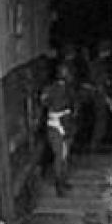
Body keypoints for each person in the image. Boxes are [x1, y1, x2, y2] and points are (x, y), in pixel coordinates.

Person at [40, 63, 78, 196]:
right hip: (57, 124)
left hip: (62, 123)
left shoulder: (58, 88)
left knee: (63, 154)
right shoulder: (60, 89)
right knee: (60, 155)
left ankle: (63, 180)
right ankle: (59, 184)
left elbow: (45, 102)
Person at [84, 39, 112, 152]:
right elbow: (99, 84)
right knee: (101, 120)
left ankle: (97, 143)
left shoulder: (98, 63)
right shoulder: (99, 64)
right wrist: (108, 99)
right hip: (99, 95)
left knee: (101, 120)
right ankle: (95, 144)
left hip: (99, 94)